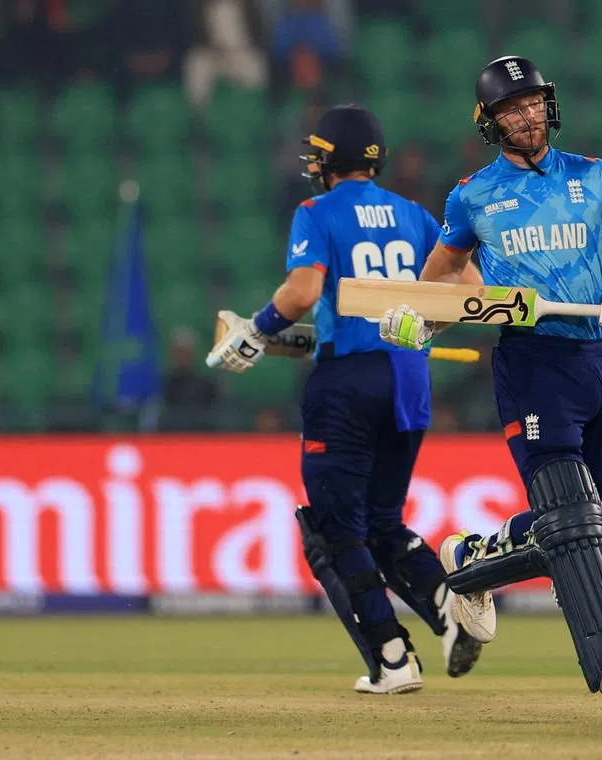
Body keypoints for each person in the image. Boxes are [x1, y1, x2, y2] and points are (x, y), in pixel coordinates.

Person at [379, 56, 602, 717]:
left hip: (597, 359)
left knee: (580, 513)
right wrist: (416, 320)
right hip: (530, 362)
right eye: (512, 108)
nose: (528, 116)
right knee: (574, 518)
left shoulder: (594, 176)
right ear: (490, 123)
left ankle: (470, 563)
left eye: (536, 102)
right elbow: (441, 280)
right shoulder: (472, 196)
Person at [206, 105, 485, 694]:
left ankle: (393, 659)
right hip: (410, 380)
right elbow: (473, 294)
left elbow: (303, 290)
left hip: (349, 382)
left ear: (332, 159)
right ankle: (450, 611)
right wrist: (419, 337)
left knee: (340, 532)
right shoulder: (415, 214)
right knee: (384, 522)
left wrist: (257, 329)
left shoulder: (317, 211)